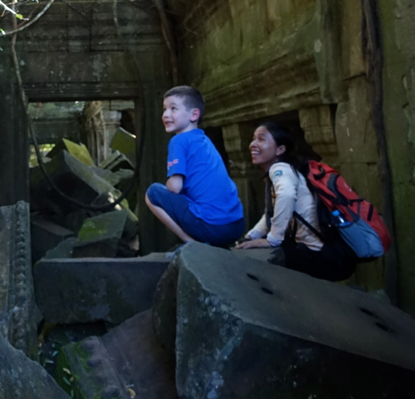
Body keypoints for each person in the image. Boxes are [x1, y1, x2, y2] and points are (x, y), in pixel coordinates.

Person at [235, 122, 356, 281]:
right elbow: (269, 215)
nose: (252, 145)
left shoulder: (280, 170)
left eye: (261, 139)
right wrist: (251, 237)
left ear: (280, 149)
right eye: (253, 139)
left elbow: (286, 195)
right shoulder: (289, 170)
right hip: (328, 256)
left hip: (316, 256)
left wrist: (272, 239)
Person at [145, 86, 245, 247]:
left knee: (152, 193)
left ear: (194, 114)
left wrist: (169, 182)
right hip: (236, 225)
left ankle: (191, 243)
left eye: (173, 109)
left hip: (212, 227)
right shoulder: (203, 139)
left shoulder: (178, 141)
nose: (166, 115)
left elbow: (175, 188)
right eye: (165, 109)